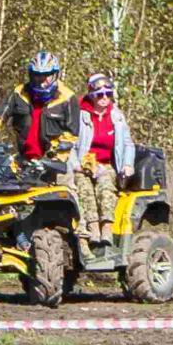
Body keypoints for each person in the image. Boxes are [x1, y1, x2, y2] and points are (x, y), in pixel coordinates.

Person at [0, 51, 80, 167]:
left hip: (55, 161)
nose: (42, 80)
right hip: (23, 158)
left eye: (47, 75)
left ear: (55, 74)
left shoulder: (67, 97)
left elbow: (71, 134)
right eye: (37, 75)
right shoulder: (19, 93)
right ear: (31, 75)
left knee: (64, 184)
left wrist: (56, 157)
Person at [71, 73, 135, 248]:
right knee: (84, 188)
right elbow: (68, 143)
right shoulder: (80, 115)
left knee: (106, 185)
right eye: (100, 94)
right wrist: (76, 165)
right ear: (92, 95)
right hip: (82, 165)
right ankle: (93, 229)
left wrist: (128, 164)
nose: (104, 98)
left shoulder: (117, 117)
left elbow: (128, 144)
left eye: (108, 94)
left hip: (106, 164)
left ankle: (107, 227)